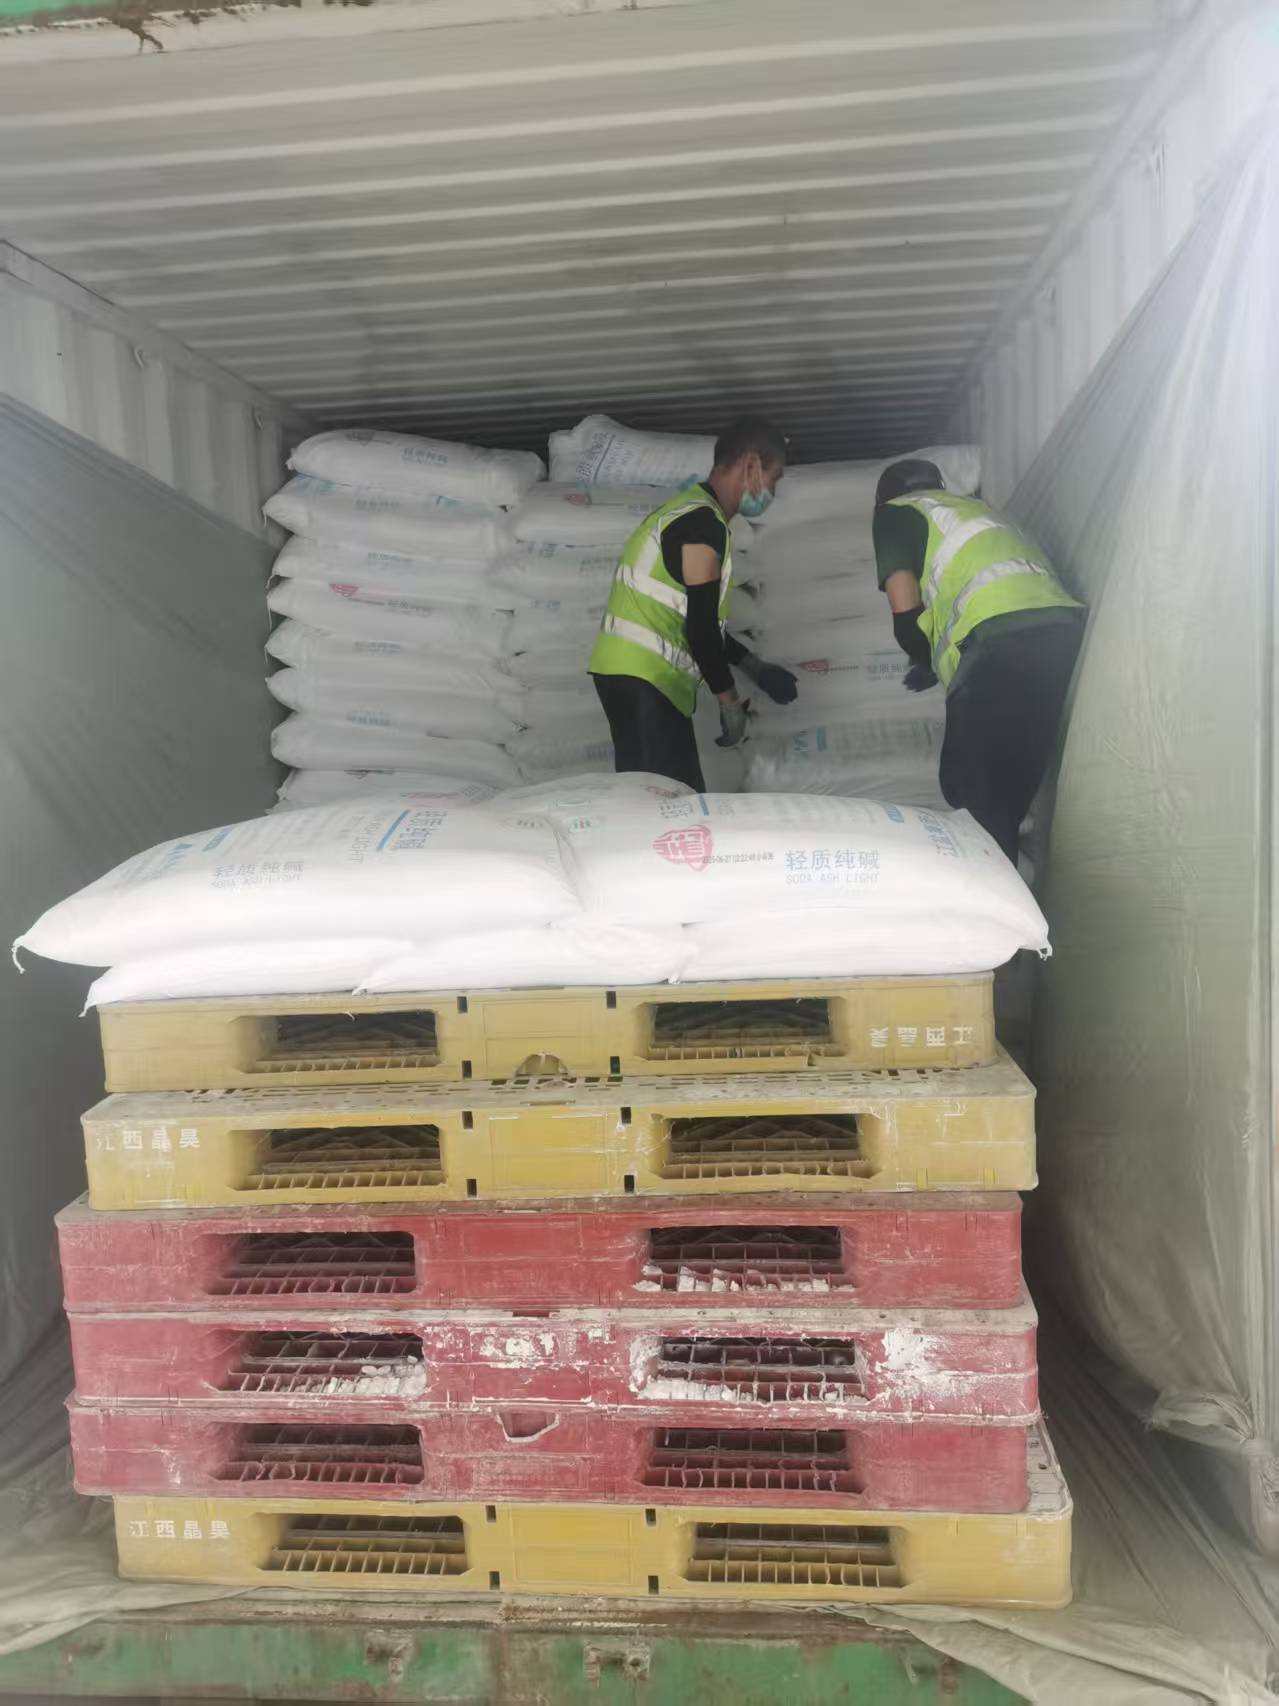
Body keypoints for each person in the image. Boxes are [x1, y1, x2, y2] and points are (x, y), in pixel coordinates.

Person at [873, 458, 1085, 862]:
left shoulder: (896, 515)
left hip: (999, 639)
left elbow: (904, 616)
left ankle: (1000, 913)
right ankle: (1022, 906)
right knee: (1009, 794)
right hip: (1061, 632)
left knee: (967, 788)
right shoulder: (977, 510)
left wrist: (923, 657)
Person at [588, 416, 799, 790]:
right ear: (751, 465)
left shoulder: (691, 512)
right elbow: (699, 630)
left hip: (633, 674)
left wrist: (753, 665)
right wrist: (730, 705)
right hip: (644, 678)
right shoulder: (702, 524)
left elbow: (695, 618)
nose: (772, 490)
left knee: (664, 799)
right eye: (775, 477)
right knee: (669, 807)